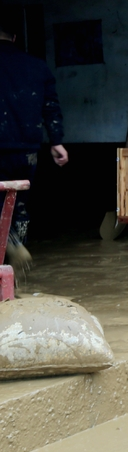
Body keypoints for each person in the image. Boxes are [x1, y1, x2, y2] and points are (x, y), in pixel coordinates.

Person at [0, 18, 68, 274]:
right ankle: (14, 273)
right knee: (19, 205)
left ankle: (9, 244)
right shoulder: (37, 66)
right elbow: (51, 107)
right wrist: (57, 141)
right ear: (16, 38)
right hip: (26, 149)